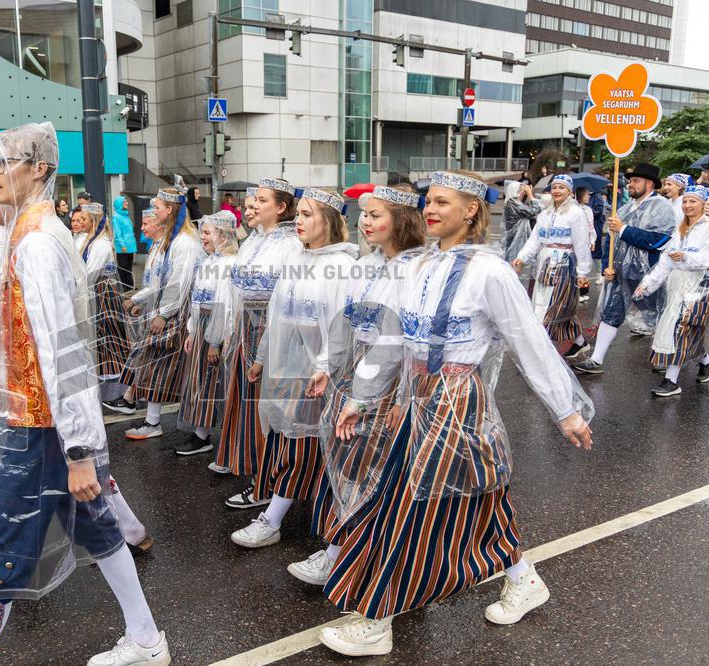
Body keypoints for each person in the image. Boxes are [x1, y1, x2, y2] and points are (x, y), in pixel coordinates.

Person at [0, 123, 170, 665]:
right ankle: (148, 639)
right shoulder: (24, 234)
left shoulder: (36, 242)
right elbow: (12, 344)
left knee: (0, 551)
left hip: (40, 428)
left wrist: (79, 450)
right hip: (35, 421)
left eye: (3, 161)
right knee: (100, 528)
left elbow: (65, 356)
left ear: (39, 168)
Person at [319, 170, 594, 657]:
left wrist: (567, 410)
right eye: (427, 201)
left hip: (456, 399)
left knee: (411, 504)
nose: (430, 208)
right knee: (468, 498)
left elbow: (529, 340)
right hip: (415, 396)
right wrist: (362, 397)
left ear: (471, 210)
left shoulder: (491, 271)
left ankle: (377, 618)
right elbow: (393, 340)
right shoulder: (417, 266)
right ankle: (523, 579)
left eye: (443, 202)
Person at [291, 186, 427, 588]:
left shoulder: (415, 269)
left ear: (401, 220)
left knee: (372, 472)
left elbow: (397, 343)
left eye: (375, 214)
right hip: (357, 374)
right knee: (354, 467)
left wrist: (371, 397)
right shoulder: (367, 266)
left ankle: (346, 558)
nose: (365, 221)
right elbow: (346, 321)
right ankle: (343, 553)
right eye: (364, 214)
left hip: (388, 384)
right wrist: (325, 366)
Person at [230, 188, 357, 549]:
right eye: (297, 213)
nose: (298, 221)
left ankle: (272, 520)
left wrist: (323, 367)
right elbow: (277, 315)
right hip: (288, 370)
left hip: (317, 374)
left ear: (329, 221)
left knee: (300, 447)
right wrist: (261, 358)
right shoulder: (297, 260)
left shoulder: (343, 266)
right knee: (289, 441)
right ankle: (302, 518)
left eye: (307, 214)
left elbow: (341, 326)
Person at [215, 178, 302, 508]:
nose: (252, 207)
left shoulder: (291, 245)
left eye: (261, 201)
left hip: (269, 330)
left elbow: (285, 299)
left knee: (266, 409)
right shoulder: (253, 241)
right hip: (244, 328)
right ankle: (253, 470)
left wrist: (266, 343)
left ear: (280, 208)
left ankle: (267, 482)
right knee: (247, 405)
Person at [103, 187, 205, 442]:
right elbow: (157, 283)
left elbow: (179, 285)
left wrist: (163, 314)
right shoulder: (169, 242)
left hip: (178, 315)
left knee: (165, 370)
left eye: (158, 207)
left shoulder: (184, 243)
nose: (154, 211)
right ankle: (153, 419)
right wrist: (141, 301)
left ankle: (192, 429)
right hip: (166, 311)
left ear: (169, 210)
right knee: (157, 368)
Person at [574, 163, 675, 374]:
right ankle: (596, 359)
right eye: (630, 181)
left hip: (649, 274)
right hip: (621, 273)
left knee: (659, 317)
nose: (630, 184)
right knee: (611, 314)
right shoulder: (626, 207)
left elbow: (660, 240)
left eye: (636, 181)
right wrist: (607, 266)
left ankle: (685, 359)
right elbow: (612, 240)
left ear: (649, 183)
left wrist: (624, 229)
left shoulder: (662, 206)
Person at [634, 186, 709, 397]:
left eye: (693, 201)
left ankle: (671, 381)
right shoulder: (679, 230)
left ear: (703, 204)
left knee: (680, 326)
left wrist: (685, 257)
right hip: (677, 285)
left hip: (701, 284)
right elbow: (665, 261)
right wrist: (647, 284)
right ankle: (706, 361)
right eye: (685, 201)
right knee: (689, 328)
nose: (687, 205)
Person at [175, 210, 239, 456]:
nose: (202, 237)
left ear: (222, 235)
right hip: (202, 326)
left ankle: (204, 435)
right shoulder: (209, 261)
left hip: (214, 328)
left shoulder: (229, 264)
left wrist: (215, 341)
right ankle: (199, 430)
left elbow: (225, 306)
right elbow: (196, 299)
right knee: (199, 380)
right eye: (202, 232)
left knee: (210, 381)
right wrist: (192, 331)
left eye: (207, 232)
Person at [512, 174, 592, 359]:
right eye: (554, 187)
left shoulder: (576, 214)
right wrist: (522, 257)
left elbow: (581, 243)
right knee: (550, 304)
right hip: (545, 264)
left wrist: (583, 272)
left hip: (565, 264)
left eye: (561, 187)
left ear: (570, 192)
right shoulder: (544, 214)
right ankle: (580, 342)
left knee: (552, 306)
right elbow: (535, 240)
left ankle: (541, 354)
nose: (557, 191)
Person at [73, 202, 132, 382]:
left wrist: (75, 291)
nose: (80, 222)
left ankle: (117, 386)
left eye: (84, 219)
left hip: (103, 293)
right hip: (95, 291)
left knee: (109, 336)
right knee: (101, 337)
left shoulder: (101, 244)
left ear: (93, 220)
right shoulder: (88, 240)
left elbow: (90, 274)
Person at [501, 181, 541, 263]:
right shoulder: (514, 204)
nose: (524, 193)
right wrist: (530, 195)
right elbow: (535, 211)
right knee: (515, 265)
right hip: (517, 243)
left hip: (515, 241)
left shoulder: (512, 203)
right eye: (522, 190)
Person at [574, 187, 596, 302]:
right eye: (587, 194)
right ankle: (575, 292)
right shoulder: (573, 209)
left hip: (586, 242)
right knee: (576, 267)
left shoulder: (588, 210)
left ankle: (583, 291)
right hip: (576, 242)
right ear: (581, 196)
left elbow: (591, 226)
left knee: (585, 266)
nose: (589, 197)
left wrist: (592, 240)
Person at [112, 195, 137, 291]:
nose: (127, 203)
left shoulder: (126, 215)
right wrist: (122, 245)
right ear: (119, 204)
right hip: (123, 247)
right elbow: (118, 233)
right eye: (124, 201)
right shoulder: (117, 217)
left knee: (129, 268)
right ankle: (122, 287)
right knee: (122, 268)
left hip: (130, 246)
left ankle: (129, 286)